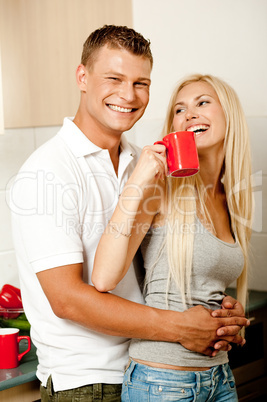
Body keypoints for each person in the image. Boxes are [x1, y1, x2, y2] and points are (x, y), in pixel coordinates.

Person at [9, 23, 249, 401]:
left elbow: (164, 267)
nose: (128, 94)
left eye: (141, 83)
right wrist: (181, 328)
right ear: (82, 77)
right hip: (88, 383)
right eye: (114, 78)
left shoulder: (145, 161)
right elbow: (69, 299)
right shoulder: (46, 173)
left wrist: (217, 317)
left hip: (147, 364)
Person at [92, 73, 253, 401]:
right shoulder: (162, 189)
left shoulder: (232, 197)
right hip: (163, 380)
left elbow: (204, 283)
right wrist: (138, 180)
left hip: (220, 376)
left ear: (230, 115)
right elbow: (103, 277)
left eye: (202, 103)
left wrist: (229, 316)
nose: (190, 114)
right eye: (180, 109)